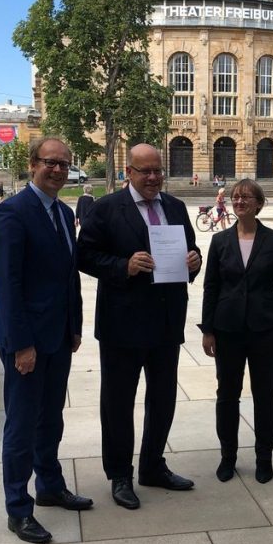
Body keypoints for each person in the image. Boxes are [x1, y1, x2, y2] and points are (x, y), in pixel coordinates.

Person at [77, 143, 202, 510]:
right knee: (118, 403)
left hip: (166, 322)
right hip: (122, 324)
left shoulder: (175, 207)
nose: (152, 178)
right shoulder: (106, 208)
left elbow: (190, 251)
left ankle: (152, 466)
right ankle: (120, 474)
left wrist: (195, 261)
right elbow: (84, 255)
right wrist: (123, 266)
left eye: (157, 171)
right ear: (127, 172)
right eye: (144, 171)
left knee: (162, 399)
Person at [0, 137, 92, 544]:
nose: (59, 171)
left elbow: (69, 277)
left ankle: (49, 485)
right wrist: (22, 345)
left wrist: (75, 325)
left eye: (65, 165)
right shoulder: (12, 213)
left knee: (51, 418)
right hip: (26, 340)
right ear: (33, 164)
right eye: (51, 163)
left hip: (58, 335)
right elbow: (9, 285)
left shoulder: (65, 215)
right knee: (21, 425)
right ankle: (18, 508)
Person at [201, 179, 273, 484]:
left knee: (265, 395)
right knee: (227, 395)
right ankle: (228, 457)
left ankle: (263, 457)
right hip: (227, 330)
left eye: (246, 197)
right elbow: (211, 286)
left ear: (258, 203)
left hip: (265, 330)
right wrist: (208, 329)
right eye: (235, 197)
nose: (239, 201)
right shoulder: (220, 241)